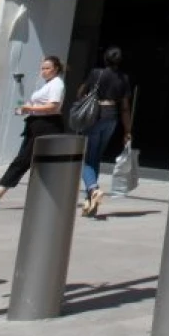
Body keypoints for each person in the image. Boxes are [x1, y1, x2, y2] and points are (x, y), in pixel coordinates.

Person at [0, 56, 65, 208]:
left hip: (46, 125)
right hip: (36, 124)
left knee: (23, 160)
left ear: (56, 69)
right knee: (27, 161)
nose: (43, 71)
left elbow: (53, 107)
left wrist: (29, 108)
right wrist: (27, 108)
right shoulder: (47, 84)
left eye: (47, 68)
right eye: (42, 68)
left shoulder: (57, 84)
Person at [74, 46, 132, 219]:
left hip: (94, 117)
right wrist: (127, 130)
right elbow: (125, 107)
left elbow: (80, 92)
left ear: (105, 59)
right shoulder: (124, 79)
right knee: (95, 158)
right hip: (112, 117)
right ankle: (90, 202)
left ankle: (93, 189)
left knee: (85, 159)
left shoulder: (95, 73)